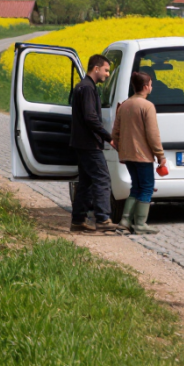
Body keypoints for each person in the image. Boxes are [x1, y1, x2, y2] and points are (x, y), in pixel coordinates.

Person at [112, 71, 168, 235]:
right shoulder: (147, 106)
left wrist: (122, 150)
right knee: (147, 187)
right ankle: (140, 223)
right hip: (142, 155)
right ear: (145, 86)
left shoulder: (124, 105)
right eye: (151, 84)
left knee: (135, 187)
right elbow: (153, 134)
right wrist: (160, 156)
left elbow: (115, 134)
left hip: (128, 155)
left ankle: (125, 220)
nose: (152, 86)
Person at [69, 54, 118, 233]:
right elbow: (90, 118)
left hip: (81, 143)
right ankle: (103, 219)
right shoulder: (88, 88)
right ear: (95, 68)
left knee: (86, 181)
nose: (107, 74)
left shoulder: (82, 87)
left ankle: (78, 219)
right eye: (106, 70)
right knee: (102, 178)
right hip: (89, 143)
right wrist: (108, 137)